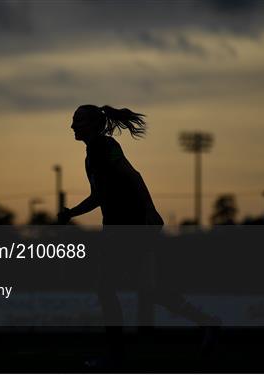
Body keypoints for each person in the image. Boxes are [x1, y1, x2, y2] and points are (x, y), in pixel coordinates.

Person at [58, 104, 220, 366]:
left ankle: (116, 358)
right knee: (148, 290)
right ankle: (207, 322)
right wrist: (72, 213)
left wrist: (150, 210)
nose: (73, 126)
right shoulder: (93, 154)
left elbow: (133, 176)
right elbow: (99, 195)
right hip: (122, 226)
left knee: (106, 289)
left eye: (78, 121)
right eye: (73, 120)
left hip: (126, 226)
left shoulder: (104, 148)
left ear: (93, 124)